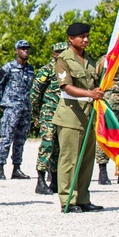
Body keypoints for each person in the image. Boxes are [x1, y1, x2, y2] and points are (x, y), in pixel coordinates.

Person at [52, 22, 104, 213]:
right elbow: (66, 87)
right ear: (70, 39)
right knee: (69, 160)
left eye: (87, 36)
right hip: (70, 116)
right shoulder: (64, 59)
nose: (86, 39)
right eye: (81, 36)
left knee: (86, 160)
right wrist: (90, 94)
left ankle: (83, 198)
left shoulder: (89, 60)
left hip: (88, 116)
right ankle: (68, 199)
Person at [0, 39, 35, 179]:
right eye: (22, 48)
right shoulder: (8, 68)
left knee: (21, 139)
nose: (25, 51)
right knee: (6, 138)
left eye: (27, 48)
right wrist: (3, 102)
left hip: (25, 108)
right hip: (11, 107)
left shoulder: (30, 69)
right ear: (16, 50)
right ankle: (0, 168)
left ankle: (16, 168)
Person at [95, 45, 119, 184]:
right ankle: (102, 171)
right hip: (109, 102)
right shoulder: (106, 59)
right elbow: (96, 78)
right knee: (105, 134)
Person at [31, 42, 66, 194]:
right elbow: (35, 95)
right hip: (49, 112)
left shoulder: (67, 71)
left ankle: (56, 181)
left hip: (64, 113)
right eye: (59, 52)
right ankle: (40, 181)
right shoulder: (46, 70)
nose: (62, 54)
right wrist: (36, 114)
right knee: (47, 144)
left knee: (59, 147)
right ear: (54, 54)